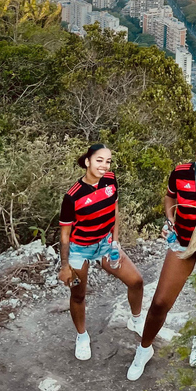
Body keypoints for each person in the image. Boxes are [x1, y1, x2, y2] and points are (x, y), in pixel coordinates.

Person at [128, 133, 196, 381]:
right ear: (195, 152)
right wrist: (170, 218)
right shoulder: (180, 173)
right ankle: (144, 348)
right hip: (183, 241)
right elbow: (170, 198)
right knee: (160, 302)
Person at [58, 143, 145, 361]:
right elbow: (65, 235)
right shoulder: (72, 197)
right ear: (87, 161)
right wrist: (65, 266)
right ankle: (82, 336)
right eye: (99, 160)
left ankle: (136, 319)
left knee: (136, 281)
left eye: (108, 161)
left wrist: (115, 242)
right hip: (80, 249)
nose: (104, 166)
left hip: (106, 244)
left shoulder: (110, 180)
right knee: (78, 295)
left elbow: (114, 208)